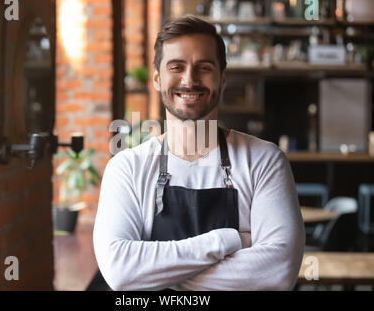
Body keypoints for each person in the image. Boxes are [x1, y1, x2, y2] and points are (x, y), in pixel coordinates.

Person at [93, 15, 305, 291]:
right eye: (176, 67)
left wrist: (155, 273)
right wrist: (231, 241)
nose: (189, 80)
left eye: (204, 67)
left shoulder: (264, 161)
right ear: (157, 79)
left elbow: (278, 272)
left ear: (223, 79)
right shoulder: (127, 168)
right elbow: (121, 272)